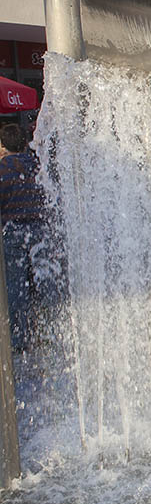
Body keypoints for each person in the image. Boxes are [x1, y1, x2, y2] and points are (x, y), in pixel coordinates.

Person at [0, 124, 44, 350]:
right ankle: (45, 333)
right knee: (40, 283)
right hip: (40, 231)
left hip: (14, 233)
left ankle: (21, 339)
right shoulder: (37, 164)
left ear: (3, 145)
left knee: (18, 288)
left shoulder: (2, 169)